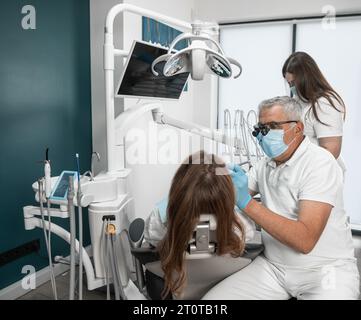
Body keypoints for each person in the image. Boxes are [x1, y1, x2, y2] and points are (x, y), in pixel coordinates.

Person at [203, 96, 359, 300]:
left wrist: (247, 203)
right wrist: (209, 185)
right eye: (260, 129)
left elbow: (305, 240)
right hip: (273, 269)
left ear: (298, 128)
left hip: (325, 271)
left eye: (273, 126)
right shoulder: (264, 165)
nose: (263, 135)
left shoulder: (320, 163)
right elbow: (229, 196)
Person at [143, 151, 256, 299]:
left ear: (179, 186)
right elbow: (247, 239)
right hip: (223, 290)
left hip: (177, 288)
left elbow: (152, 240)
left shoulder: (158, 218)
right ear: (228, 191)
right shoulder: (242, 226)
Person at [282, 51, 346, 173]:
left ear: (306, 78)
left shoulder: (325, 103)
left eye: (293, 83)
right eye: (289, 83)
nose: (291, 87)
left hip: (320, 173)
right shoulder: (300, 99)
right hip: (302, 169)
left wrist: (305, 171)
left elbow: (331, 150)